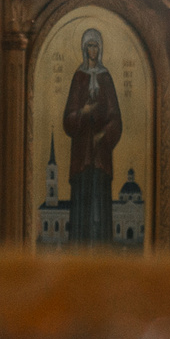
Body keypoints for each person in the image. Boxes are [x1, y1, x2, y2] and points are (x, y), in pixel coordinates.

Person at [62, 29, 124, 245]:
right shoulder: (78, 78)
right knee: (81, 198)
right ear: (84, 49)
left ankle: (102, 249)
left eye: (96, 45)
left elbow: (116, 118)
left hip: (101, 154)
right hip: (81, 153)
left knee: (100, 198)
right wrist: (83, 112)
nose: (93, 50)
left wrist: (104, 135)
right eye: (89, 45)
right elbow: (67, 120)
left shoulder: (106, 78)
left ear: (100, 49)